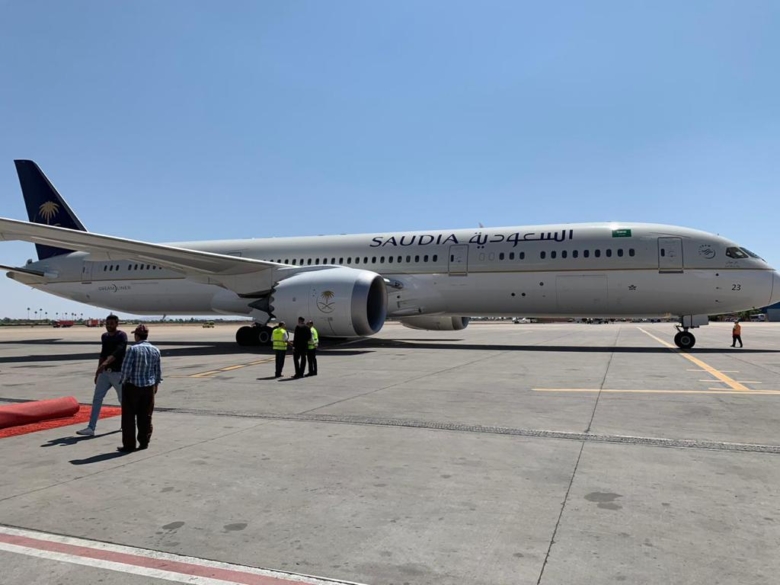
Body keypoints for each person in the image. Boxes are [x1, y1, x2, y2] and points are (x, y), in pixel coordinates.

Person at [76, 315, 127, 436]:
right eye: (107, 323)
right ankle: (91, 428)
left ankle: (126, 424)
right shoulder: (104, 336)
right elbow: (103, 354)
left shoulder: (121, 336)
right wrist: (98, 372)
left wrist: (104, 364)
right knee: (97, 399)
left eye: (111, 323)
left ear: (117, 324)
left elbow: (118, 352)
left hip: (118, 373)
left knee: (123, 400)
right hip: (104, 374)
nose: (109, 325)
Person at [118, 324, 162, 453]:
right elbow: (157, 371)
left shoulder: (133, 349)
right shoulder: (155, 350)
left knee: (129, 417)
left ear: (137, 336)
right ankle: (144, 441)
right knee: (146, 416)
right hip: (148, 387)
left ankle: (129, 445)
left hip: (132, 387)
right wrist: (156, 385)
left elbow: (126, 369)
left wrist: (123, 381)